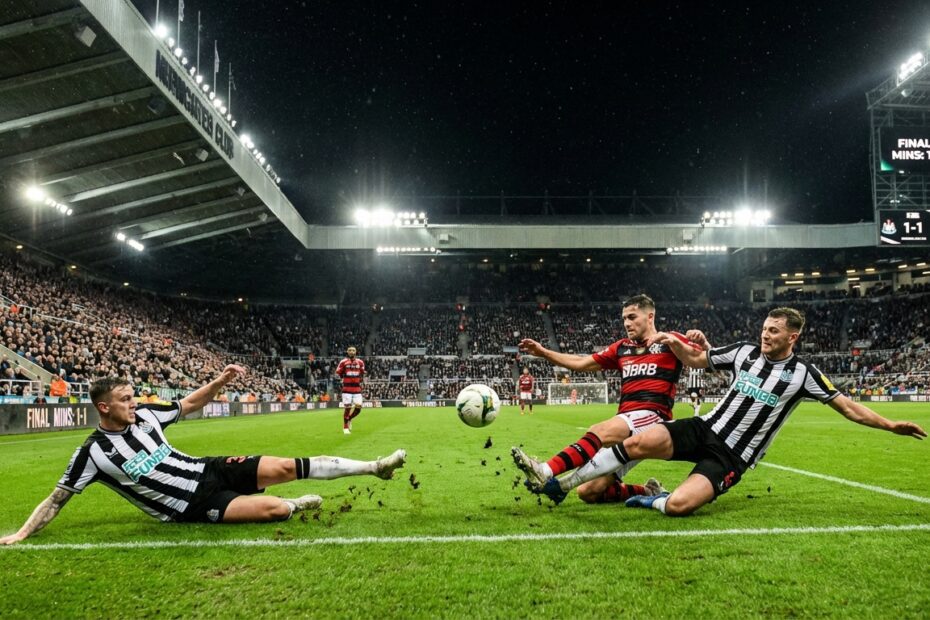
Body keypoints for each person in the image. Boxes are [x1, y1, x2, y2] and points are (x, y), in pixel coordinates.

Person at [0, 365, 406, 545]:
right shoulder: (92, 453)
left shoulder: (146, 416)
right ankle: (294, 505)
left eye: (132, 396)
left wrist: (220, 380)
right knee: (276, 511)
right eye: (125, 399)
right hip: (192, 505)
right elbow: (58, 498)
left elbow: (190, 404)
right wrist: (21, 533)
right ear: (104, 407)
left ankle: (375, 468)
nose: (133, 403)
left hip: (208, 467)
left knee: (286, 465)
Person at [616, 307, 925, 516]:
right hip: (706, 427)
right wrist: (674, 343)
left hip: (733, 455)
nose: (765, 335)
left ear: (792, 337)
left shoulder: (804, 373)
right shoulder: (743, 351)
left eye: (774, 331)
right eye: (764, 329)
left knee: (678, 507)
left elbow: (849, 408)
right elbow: (698, 359)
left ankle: (654, 496)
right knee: (637, 442)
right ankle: (585, 479)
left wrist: (891, 425)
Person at [512, 294, 708, 504]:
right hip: (627, 420)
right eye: (624, 318)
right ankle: (650, 491)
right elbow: (581, 363)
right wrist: (543, 353)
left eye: (632, 317)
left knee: (600, 430)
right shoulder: (621, 348)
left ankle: (545, 470)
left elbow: (709, 360)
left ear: (650, 316)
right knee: (588, 492)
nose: (627, 323)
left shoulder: (670, 341)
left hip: (652, 418)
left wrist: (704, 344)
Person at [336, 346, 365, 434]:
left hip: (357, 388)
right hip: (347, 388)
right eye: (350, 350)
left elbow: (362, 373)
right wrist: (343, 378)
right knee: (348, 407)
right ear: (347, 352)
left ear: (356, 352)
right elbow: (338, 372)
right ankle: (345, 427)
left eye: (353, 350)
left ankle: (349, 419)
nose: (352, 352)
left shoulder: (360, 362)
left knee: (359, 407)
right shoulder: (343, 362)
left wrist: (360, 381)